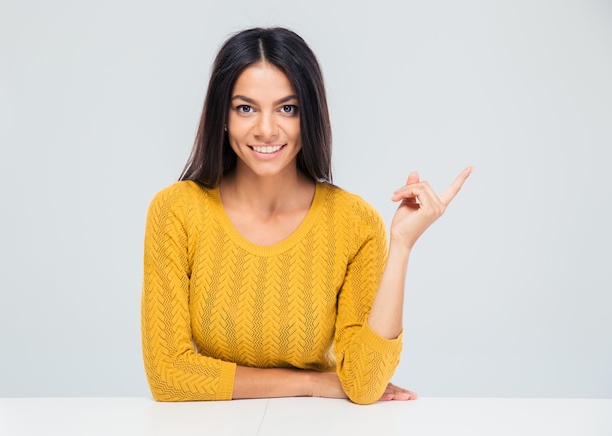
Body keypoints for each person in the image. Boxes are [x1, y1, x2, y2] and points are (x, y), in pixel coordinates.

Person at [141, 27, 472, 405]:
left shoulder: (354, 222)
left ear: (309, 115)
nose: (266, 129)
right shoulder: (176, 211)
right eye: (245, 108)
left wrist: (401, 245)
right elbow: (168, 375)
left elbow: (363, 385)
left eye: (287, 108)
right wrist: (315, 383)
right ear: (223, 116)